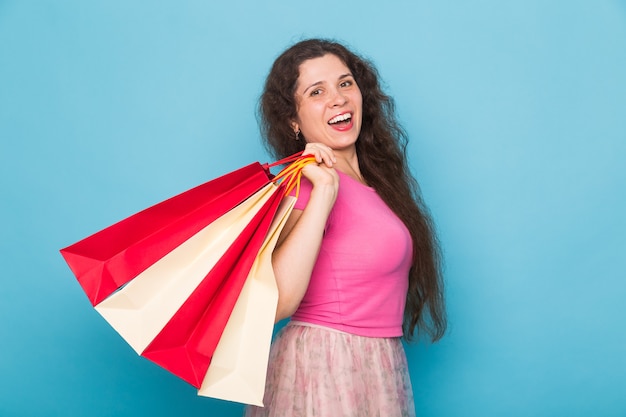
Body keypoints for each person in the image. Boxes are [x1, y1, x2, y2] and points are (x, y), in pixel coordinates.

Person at [244, 38, 446, 417]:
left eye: (345, 83)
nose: (337, 98)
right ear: (293, 119)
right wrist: (322, 192)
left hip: (375, 363)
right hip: (326, 366)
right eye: (316, 92)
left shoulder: (378, 183)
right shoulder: (305, 185)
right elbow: (279, 301)